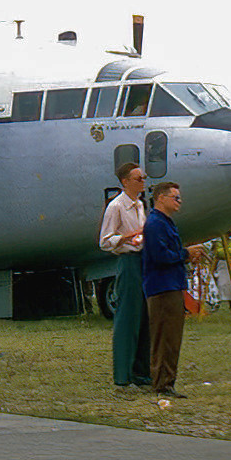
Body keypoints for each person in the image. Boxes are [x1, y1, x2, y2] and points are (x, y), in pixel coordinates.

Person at [141, 181, 202, 398]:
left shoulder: (165, 222)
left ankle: (166, 382)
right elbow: (161, 256)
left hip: (171, 285)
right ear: (161, 198)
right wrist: (186, 253)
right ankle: (163, 384)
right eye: (175, 197)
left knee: (172, 337)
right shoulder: (156, 224)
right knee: (166, 337)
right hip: (162, 288)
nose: (179, 201)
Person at [98, 161, 153, 390]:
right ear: (125, 182)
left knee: (144, 320)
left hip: (143, 262)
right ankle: (123, 376)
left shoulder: (140, 205)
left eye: (143, 177)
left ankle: (142, 373)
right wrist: (126, 237)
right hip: (128, 262)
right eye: (138, 178)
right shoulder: (116, 206)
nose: (143, 181)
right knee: (127, 320)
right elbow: (104, 241)